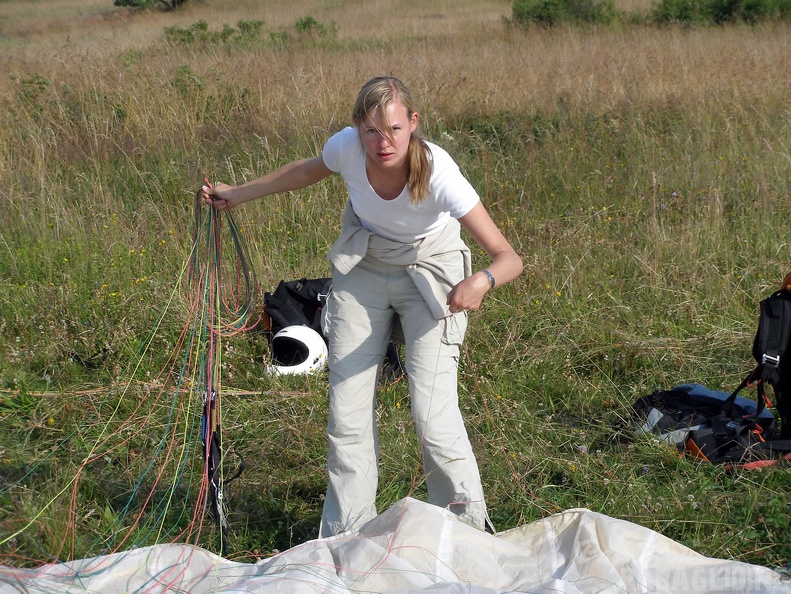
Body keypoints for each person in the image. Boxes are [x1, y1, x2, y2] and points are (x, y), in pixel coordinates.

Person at [201, 76, 523, 537]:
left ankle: (465, 532)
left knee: (432, 414)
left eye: (394, 128)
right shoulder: (347, 148)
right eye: (372, 131)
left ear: (413, 123)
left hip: (432, 272)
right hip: (366, 266)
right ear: (357, 128)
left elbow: (510, 257)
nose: (383, 142)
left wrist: (481, 281)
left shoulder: (438, 172)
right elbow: (306, 171)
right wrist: (238, 192)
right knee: (346, 413)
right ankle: (347, 537)